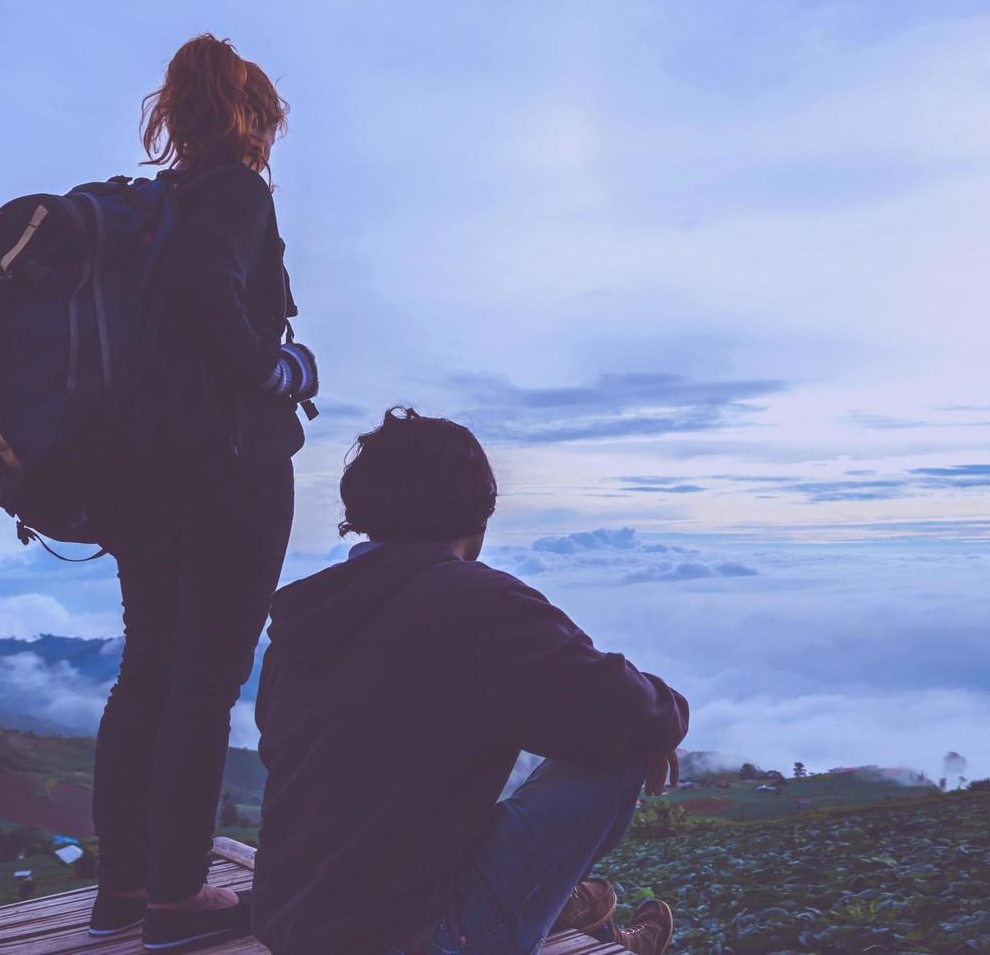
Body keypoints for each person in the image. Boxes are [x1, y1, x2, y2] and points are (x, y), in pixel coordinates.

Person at [252, 409, 687, 955]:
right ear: (480, 509)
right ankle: (551, 909)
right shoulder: (485, 607)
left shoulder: (307, 615)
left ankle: (561, 906)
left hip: (289, 924)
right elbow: (635, 710)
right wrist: (662, 721)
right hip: (416, 939)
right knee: (623, 744)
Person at [88, 34, 319, 950]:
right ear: (251, 116)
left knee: (146, 671)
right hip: (226, 474)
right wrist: (280, 371)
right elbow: (204, 297)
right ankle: (178, 898)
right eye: (267, 118)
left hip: (138, 480)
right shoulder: (234, 193)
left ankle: (126, 888)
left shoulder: (158, 206)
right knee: (202, 684)